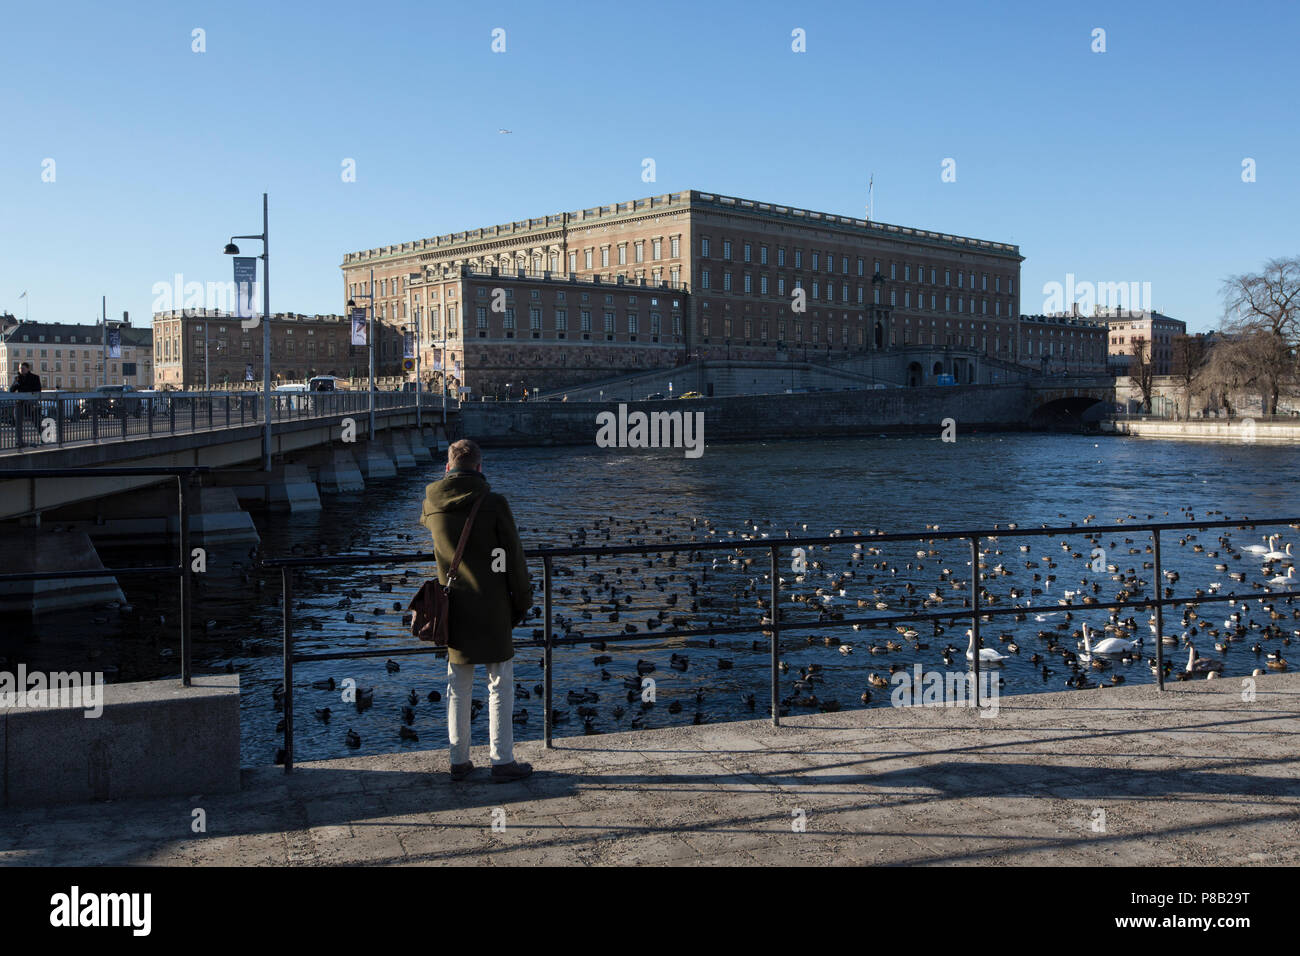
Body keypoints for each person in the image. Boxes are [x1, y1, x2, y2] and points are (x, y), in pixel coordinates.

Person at [420, 438, 533, 782]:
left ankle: (459, 759)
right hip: (494, 604)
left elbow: (428, 524)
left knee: (459, 684)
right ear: (480, 468)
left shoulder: (431, 501)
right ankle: (502, 761)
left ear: (448, 467)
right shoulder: (494, 503)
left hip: (453, 606)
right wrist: (523, 600)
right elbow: (513, 558)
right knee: (499, 682)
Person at [9, 361, 42, 433]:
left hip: (31, 403)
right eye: (20, 368)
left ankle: (44, 437)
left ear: (27, 369)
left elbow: (38, 389)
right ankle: (19, 440)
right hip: (20, 403)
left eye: (22, 368)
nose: (21, 370)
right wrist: (16, 383)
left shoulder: (34, 377)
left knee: (36, 421)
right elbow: (11, 390)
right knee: (17, 421)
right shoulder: (17, 378)